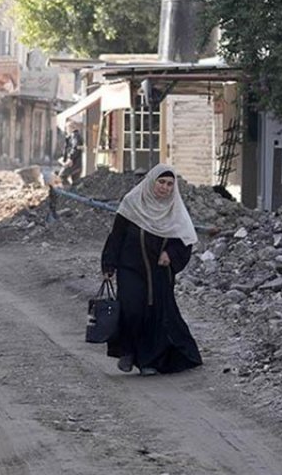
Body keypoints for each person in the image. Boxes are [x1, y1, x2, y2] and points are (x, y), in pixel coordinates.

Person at [101, 166, 202, 376]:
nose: (164, 188)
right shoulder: (132, 203)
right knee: (132, 309)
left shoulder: (174, 210)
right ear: (151, 181)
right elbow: (116, 236)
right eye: (161, 182)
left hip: (159, 273)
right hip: (130, 267)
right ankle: (128, 352)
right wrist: (108, 265)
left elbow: (185, 240)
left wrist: (171, 255)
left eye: (169, 184)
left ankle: (149, 360)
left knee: (156, 314)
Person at [60, 122, 84, 186]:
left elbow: (75, 148)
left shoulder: (75, 135)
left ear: (70, 128)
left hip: (73, 162)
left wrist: (70, 158)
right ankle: (74, 193)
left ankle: (68, 191)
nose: (66, 130)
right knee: (75, 182)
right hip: (77, 163)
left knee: (62, 176)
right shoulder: (74, 136)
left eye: (66, 128)